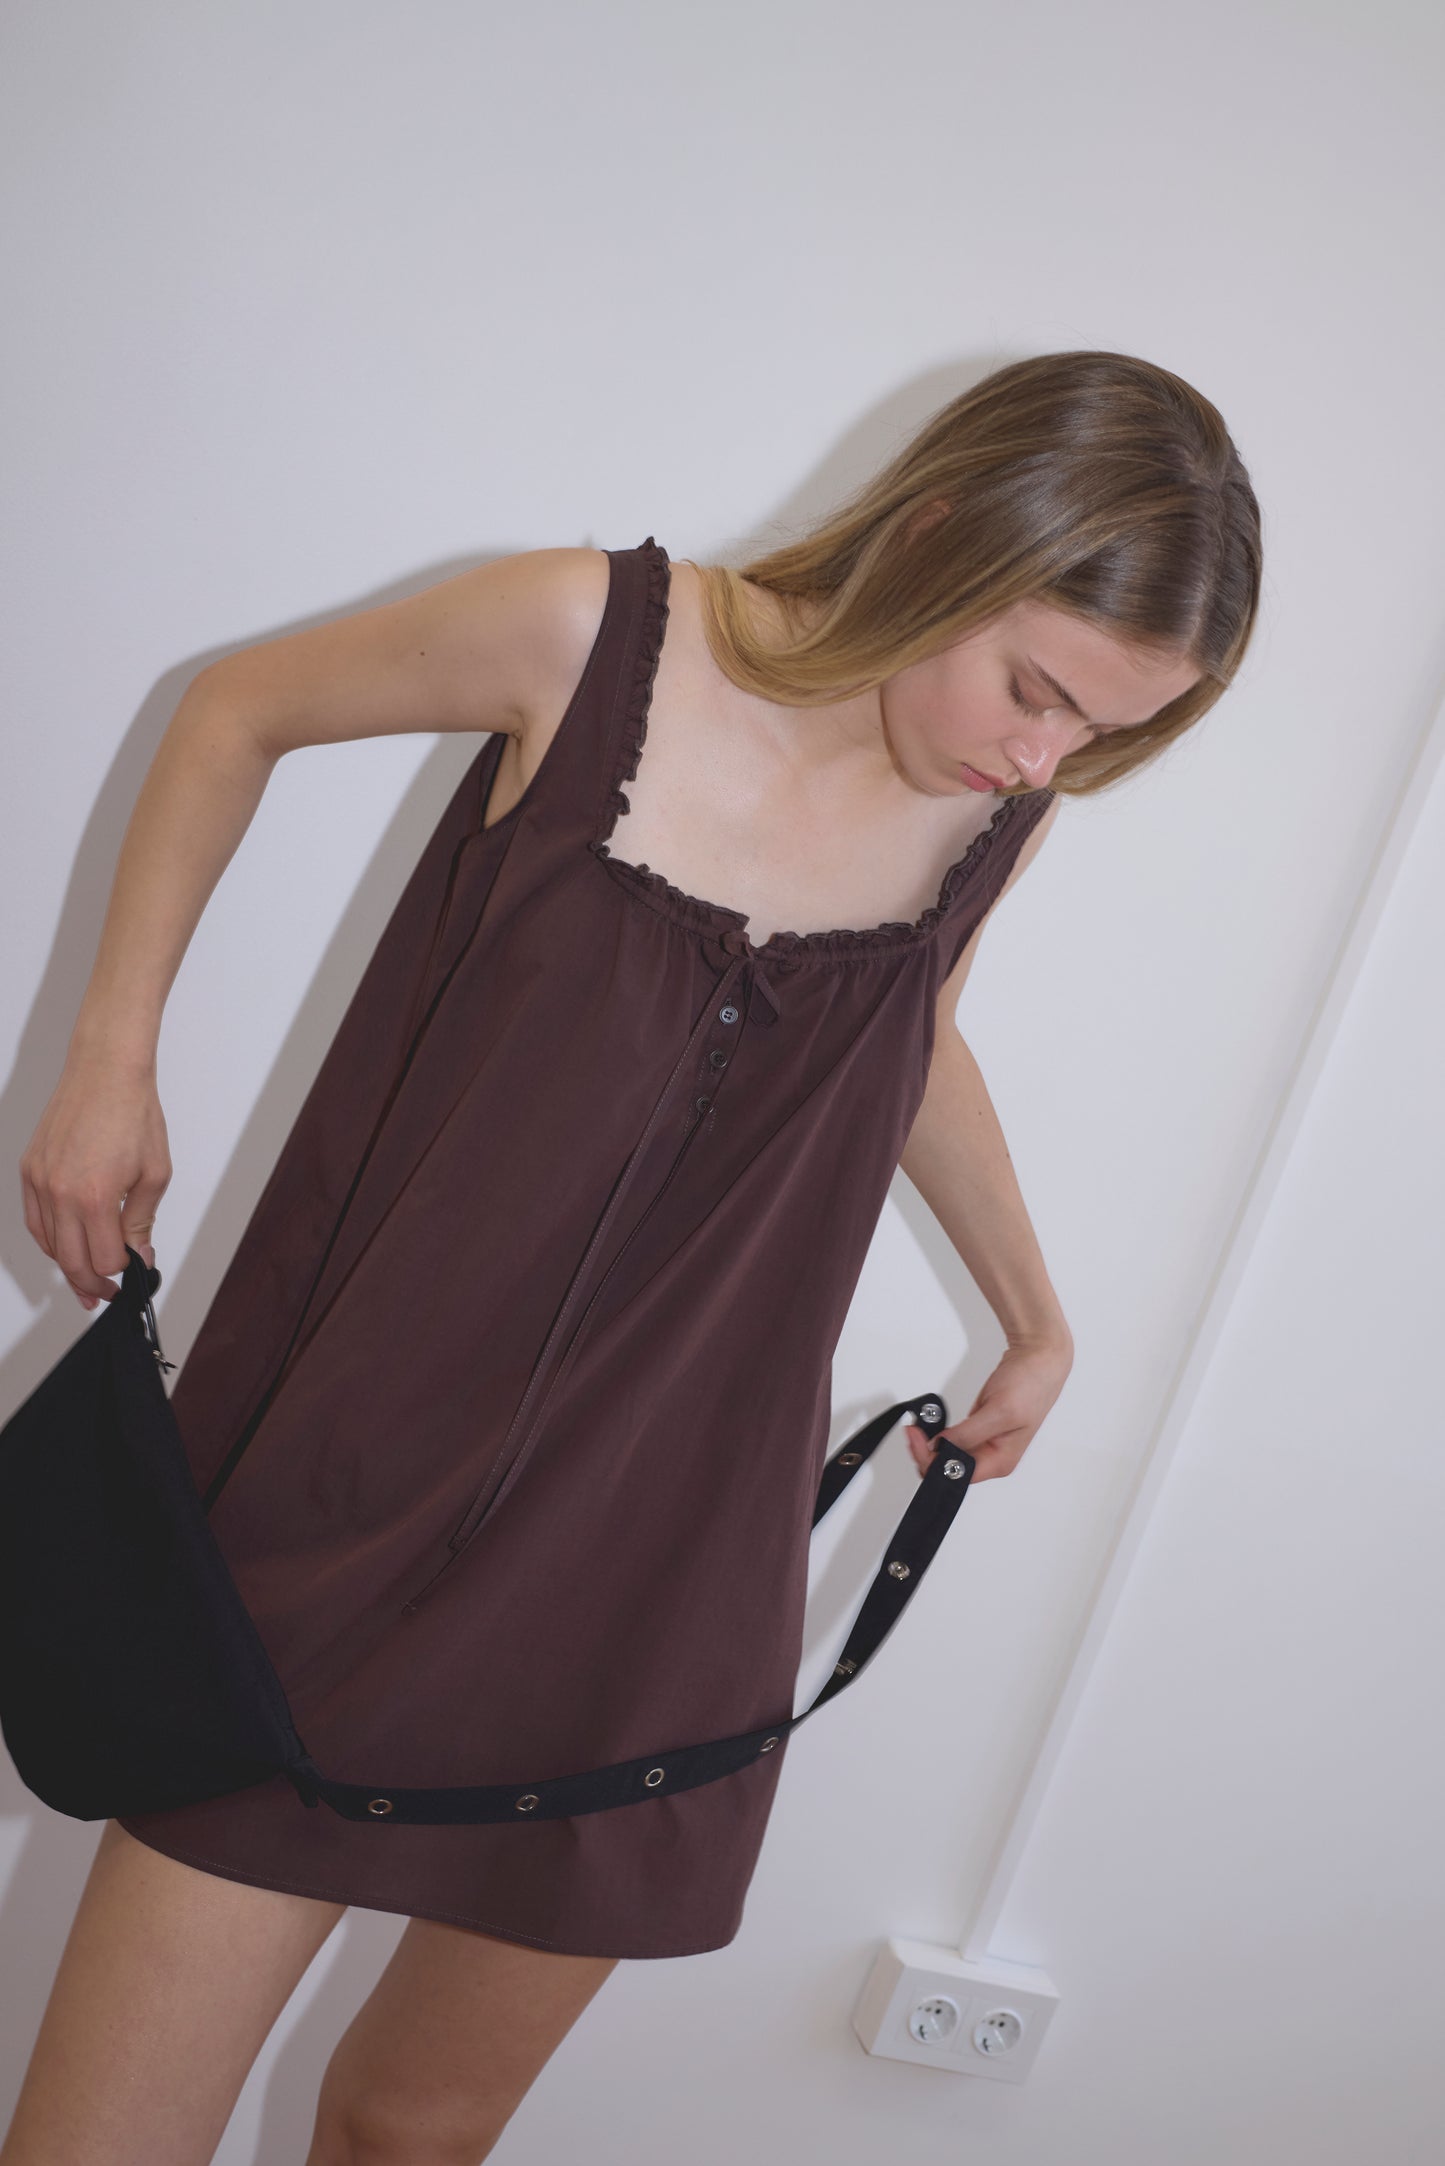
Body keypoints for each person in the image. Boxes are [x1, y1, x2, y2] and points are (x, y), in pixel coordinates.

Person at [7, 348, 1260, 2165]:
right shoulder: (578, 633)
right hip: (336, 1529)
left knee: (409, 2134)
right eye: (1036, 688)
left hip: (659, 1592)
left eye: (1102, 734)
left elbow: (904, 1038)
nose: (1039, 755)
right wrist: (110, 1054)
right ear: (932, 537)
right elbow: (229, 710)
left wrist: (1035, 1312)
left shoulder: (992, 809)